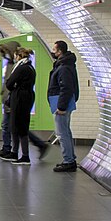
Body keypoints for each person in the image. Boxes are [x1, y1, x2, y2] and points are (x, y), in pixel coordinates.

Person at [48, 40, 80, 172]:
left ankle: (68, 161)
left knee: (61, 133)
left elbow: (66, 88)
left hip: (61, 104)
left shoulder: (64, 67)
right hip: (63, 103)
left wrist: (61, 107)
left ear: (60, 51)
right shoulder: (66, 65)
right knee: (65, 131)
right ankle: (70, 158)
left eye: (54, 50)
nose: (52, 52)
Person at [3, 47, 39, 165]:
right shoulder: (30, 67)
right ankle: (17, 153)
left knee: (18, 126)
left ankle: (23, 155)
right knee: (22, 125)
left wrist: (13, 86)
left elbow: (9, 83)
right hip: (28, 97)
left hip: (19, 98)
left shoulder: (21, 68)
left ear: (19, 56)